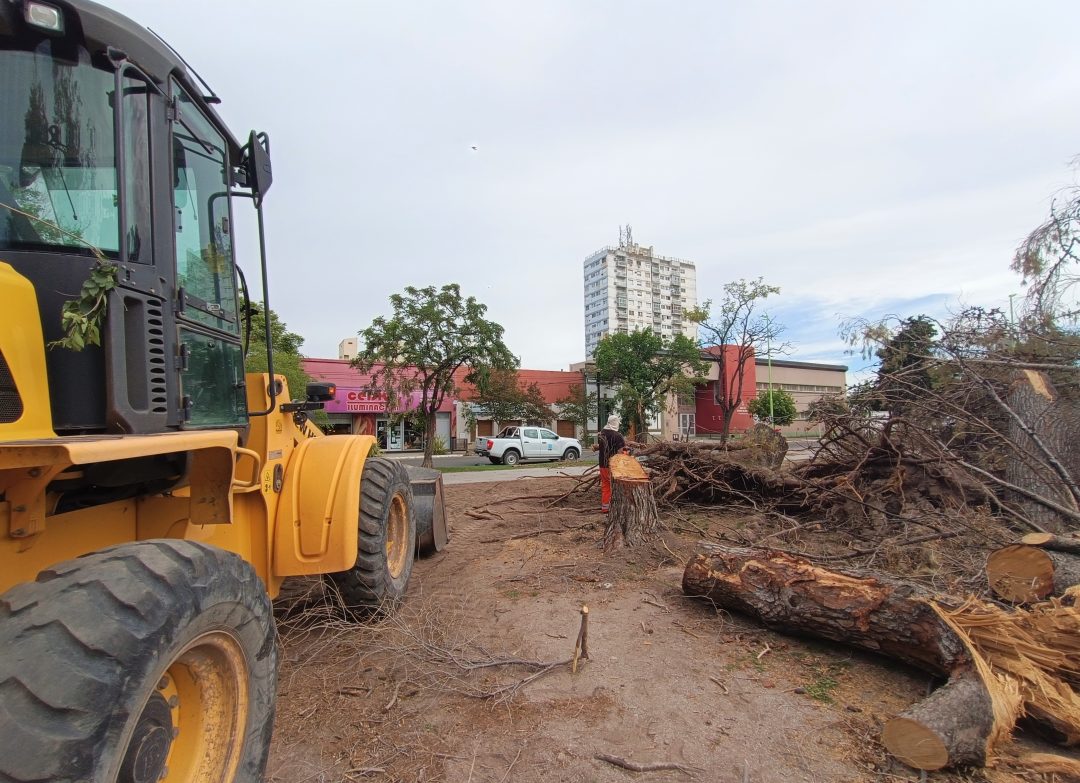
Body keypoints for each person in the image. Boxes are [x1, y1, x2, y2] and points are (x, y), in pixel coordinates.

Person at [595, 414, 627, 513]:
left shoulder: (602, 434)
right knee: (617, 486)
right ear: (616, 423)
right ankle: (617, 507)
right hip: (613, 466)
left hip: (602, 465)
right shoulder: (618, 436)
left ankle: (605, 507)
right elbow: (621, 452)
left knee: (606, 485)